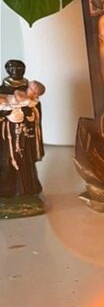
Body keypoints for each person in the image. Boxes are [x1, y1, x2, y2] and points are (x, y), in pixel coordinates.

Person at [0, 60, 45, 211]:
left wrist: (30, 113)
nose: (16, 71)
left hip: (25, 133)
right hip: (6, 135)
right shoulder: (3, 89)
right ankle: (6, 192)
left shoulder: (30, 91)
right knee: (7, 161)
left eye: (20, 68)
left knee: (25, 161)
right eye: (13, 68)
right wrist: (7, 111)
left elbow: (35, 111)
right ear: (7, 70)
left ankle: (26, 190)